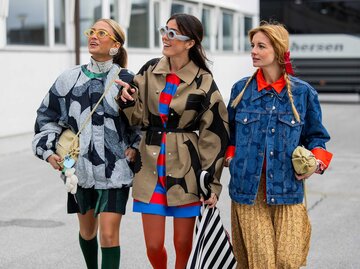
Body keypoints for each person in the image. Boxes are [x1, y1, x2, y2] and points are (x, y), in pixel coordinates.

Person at [116, 13, 229, 269]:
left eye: (173, 33)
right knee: (154, 246)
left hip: (186, 171)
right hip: (150, 167)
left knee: (183, 245)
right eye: (164, 31)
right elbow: (136, 117)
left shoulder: (204, 80)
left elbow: (214, 133)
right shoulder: (150, 69)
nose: (165, 38)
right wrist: (127, 100)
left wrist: (211, 182)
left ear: (190, 43)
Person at [32, 19, 141, 269]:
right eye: (91, 31)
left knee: (109, 235)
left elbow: (141, 122)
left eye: (101, 33)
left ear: (115, 45)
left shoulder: (126, 80)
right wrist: (48, 152)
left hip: (116, 171)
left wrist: (135, 147)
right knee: (88, 232)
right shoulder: (68, 78)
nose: (93, 36)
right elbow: (46, 117)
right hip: (79, 170)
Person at [225, 21, 333, 269]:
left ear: (278, 50)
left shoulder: (303, 93)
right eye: (252, 45)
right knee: (261, 262)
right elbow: (229, 133)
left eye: (261, 46)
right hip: (248, 190)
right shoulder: (241, 90)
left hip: (288, 187)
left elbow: (317, 137)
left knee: (288, 261)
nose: (253, 51)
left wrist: (316, 162)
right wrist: (230, 157)